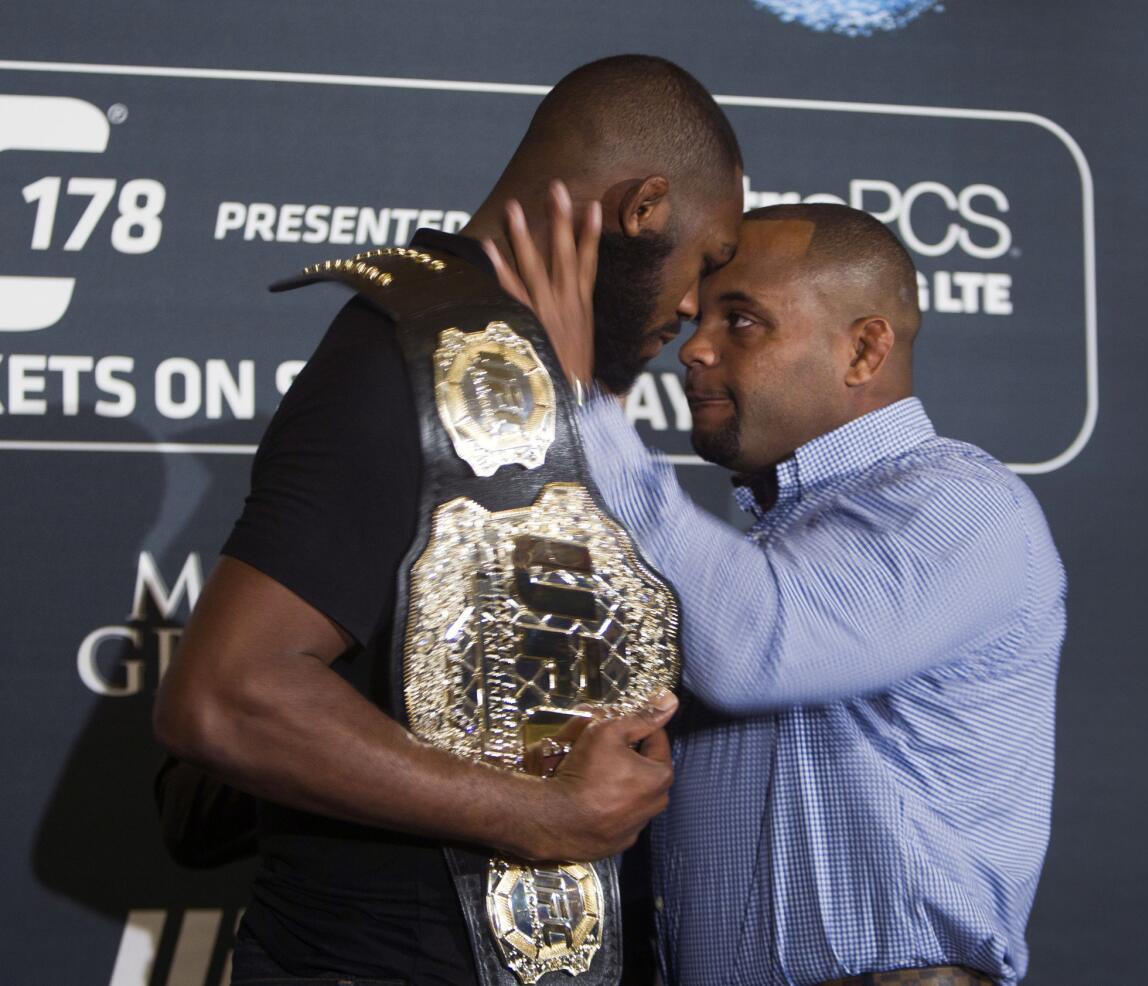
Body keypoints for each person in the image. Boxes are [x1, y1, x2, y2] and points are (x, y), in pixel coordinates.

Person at [152, 54, 743, 985]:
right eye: (704, 263)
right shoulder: (407, 356)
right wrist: (540, 815)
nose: (689, 307)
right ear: (644, 208)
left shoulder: (537, 373)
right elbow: (227, 694)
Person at [490, 201, 1066, 986]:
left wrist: (582, 406)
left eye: (743, 322)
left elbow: (756, 647)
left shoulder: (962, 504)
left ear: (864, 349)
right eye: (699, 319)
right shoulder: (765, 546)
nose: (695, 350)